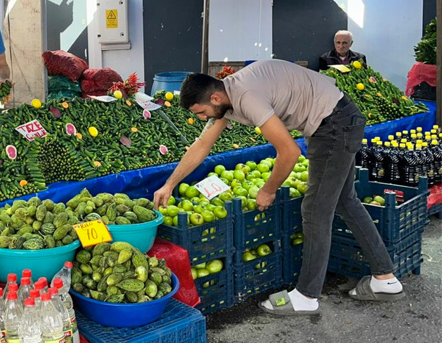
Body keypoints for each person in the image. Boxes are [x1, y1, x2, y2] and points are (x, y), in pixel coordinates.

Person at [152, 60, 404, 316]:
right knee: (345, 200)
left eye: (201, 112)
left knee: (316, 210)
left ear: (215, 97)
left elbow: (289, 152)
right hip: (338, 119)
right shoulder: (228, 99)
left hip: (333, 125)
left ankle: (307, 295)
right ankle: (385, 279)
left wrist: (269, 189)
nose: (202, 118)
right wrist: (169, 184)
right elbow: (202, 145)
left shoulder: (247, 97)